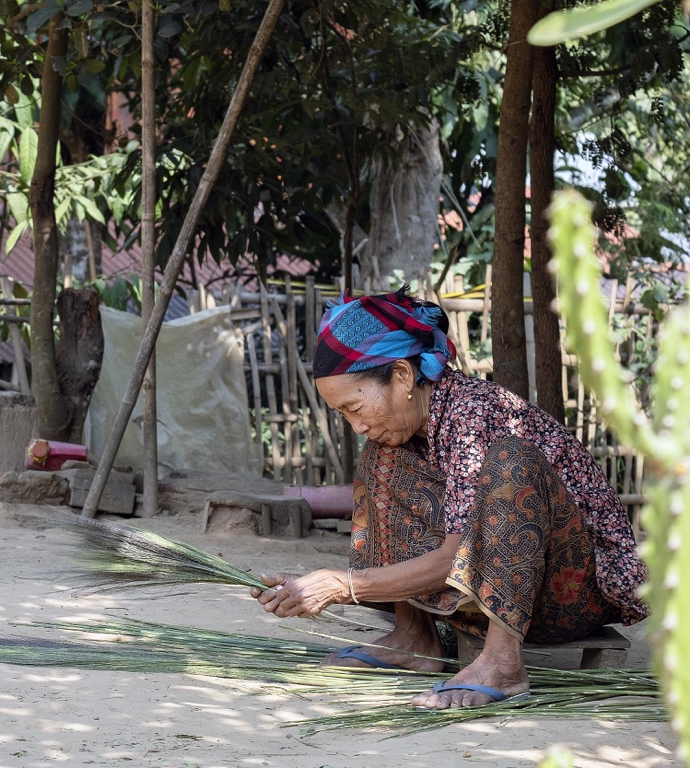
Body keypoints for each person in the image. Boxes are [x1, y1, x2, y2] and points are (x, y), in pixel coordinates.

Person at [252, 286, 648, 708]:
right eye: (342, 414)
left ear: (403, 376)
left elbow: (456, 558)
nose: (356, 425)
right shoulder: (415, 430)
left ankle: (503, 663)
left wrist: (342, 585)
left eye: (354, 407)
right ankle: (414, 637)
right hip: (500, 591)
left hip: (571, 597)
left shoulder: (473, 415)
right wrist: (321, 585)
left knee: (512, 461)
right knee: (379, 458)